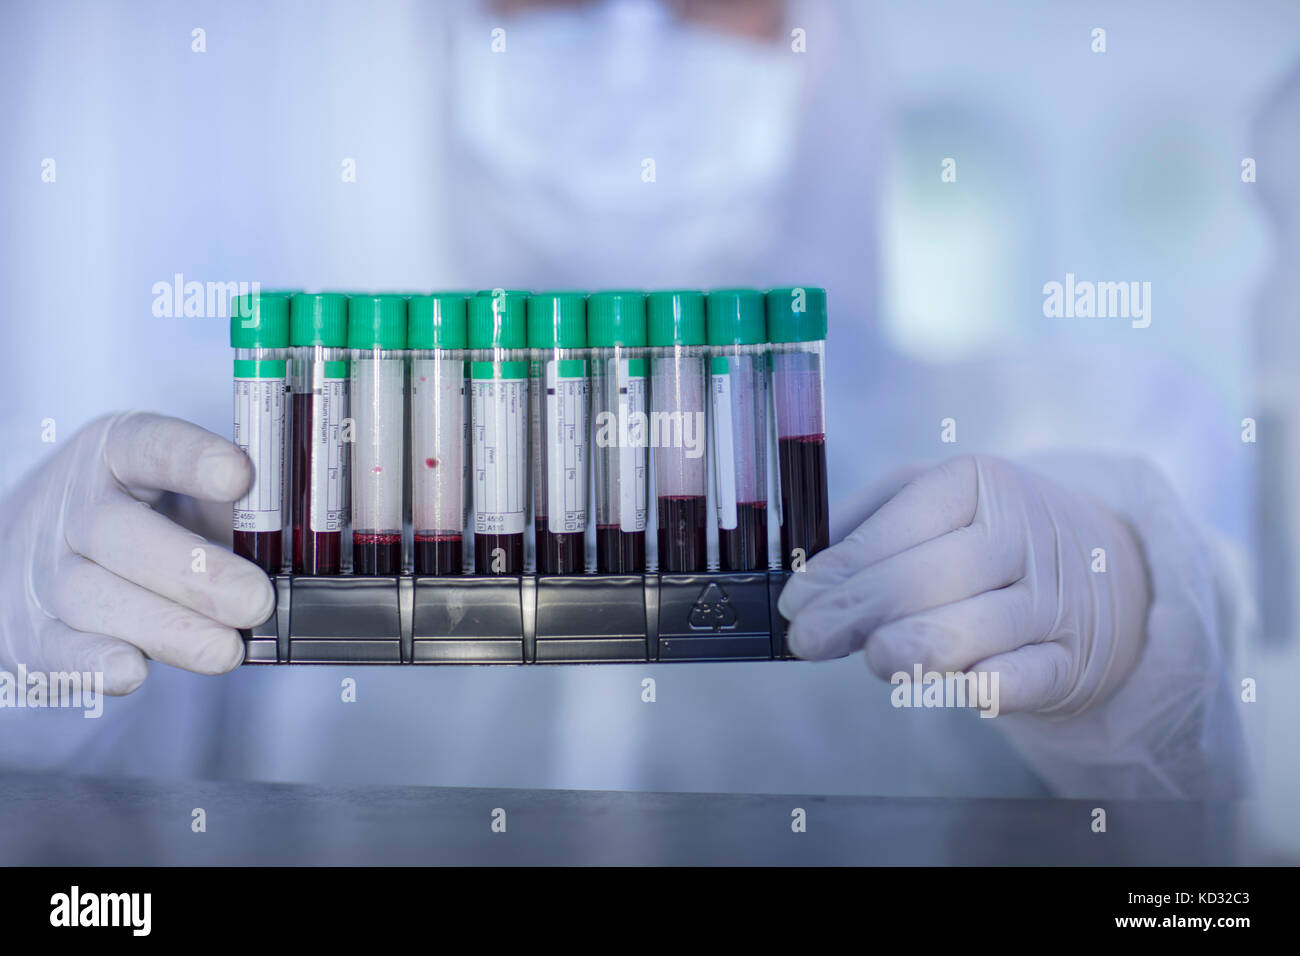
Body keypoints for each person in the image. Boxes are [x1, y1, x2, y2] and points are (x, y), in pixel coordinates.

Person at [0, 0, 1254, 798]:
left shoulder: (1073, 434)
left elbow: (1207, 837)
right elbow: (80, 845)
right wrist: (26, 674)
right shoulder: (245, 472)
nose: (633, 47)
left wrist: (1135, 632)